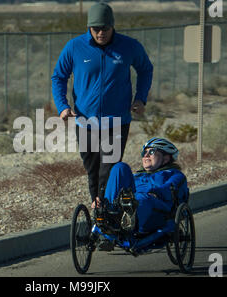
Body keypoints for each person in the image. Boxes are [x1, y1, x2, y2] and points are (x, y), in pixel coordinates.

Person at [52, 2, 154, 206]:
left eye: (105, 29)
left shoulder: (128, 46)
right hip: (85, 122)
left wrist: (140, 98)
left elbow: (146, 69)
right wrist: (62, 106)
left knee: (109, 168)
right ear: (89, 27)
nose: (100, 33)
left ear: (112, 26)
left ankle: (106, 212)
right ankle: (99, 213)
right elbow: (58, 77)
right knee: (92, 170)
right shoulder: (75, 47)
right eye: (96, 29)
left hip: (117, 121)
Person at [95, 137, 188, 249]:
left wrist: (155, 192)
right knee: (120, 167)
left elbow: (170, 189)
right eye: (144, 152)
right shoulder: (136, 176)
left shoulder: (174, 174)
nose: (146, 155)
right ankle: (108, 217)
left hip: (155, 210)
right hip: (129, 204)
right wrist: (102, 200)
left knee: (140, 198)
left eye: (152, 152)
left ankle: (128, 222)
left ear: (166, 158)